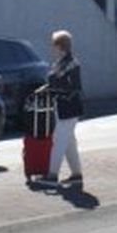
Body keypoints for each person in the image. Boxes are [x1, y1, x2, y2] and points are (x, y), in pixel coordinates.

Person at [33, 29, 83, 188]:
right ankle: (76, 175)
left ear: (60, 46)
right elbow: (56, 82)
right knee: (69, 143)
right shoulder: (63, 62)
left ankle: (52, 175)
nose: (52, 48)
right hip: (65, 106)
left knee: (59, 141)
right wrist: (45, 89)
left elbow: (73, 86)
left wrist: (53, 88)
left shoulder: (69, 63)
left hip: (69, 107)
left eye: (54, 45)